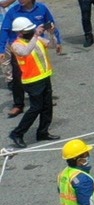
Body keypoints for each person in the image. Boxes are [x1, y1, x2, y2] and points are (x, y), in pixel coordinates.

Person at [9, 15, 57, 149]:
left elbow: (52, 45)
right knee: (36, 108)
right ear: (19, 32)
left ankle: (43, 132)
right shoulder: (16, 45)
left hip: (45, 76)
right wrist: (36, 36)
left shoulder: (37, 38)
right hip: (32, 80)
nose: (31, 32)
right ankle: (17, 133)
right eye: (28, 30)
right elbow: (25, 52)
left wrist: (51, 34)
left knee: (47, 107)